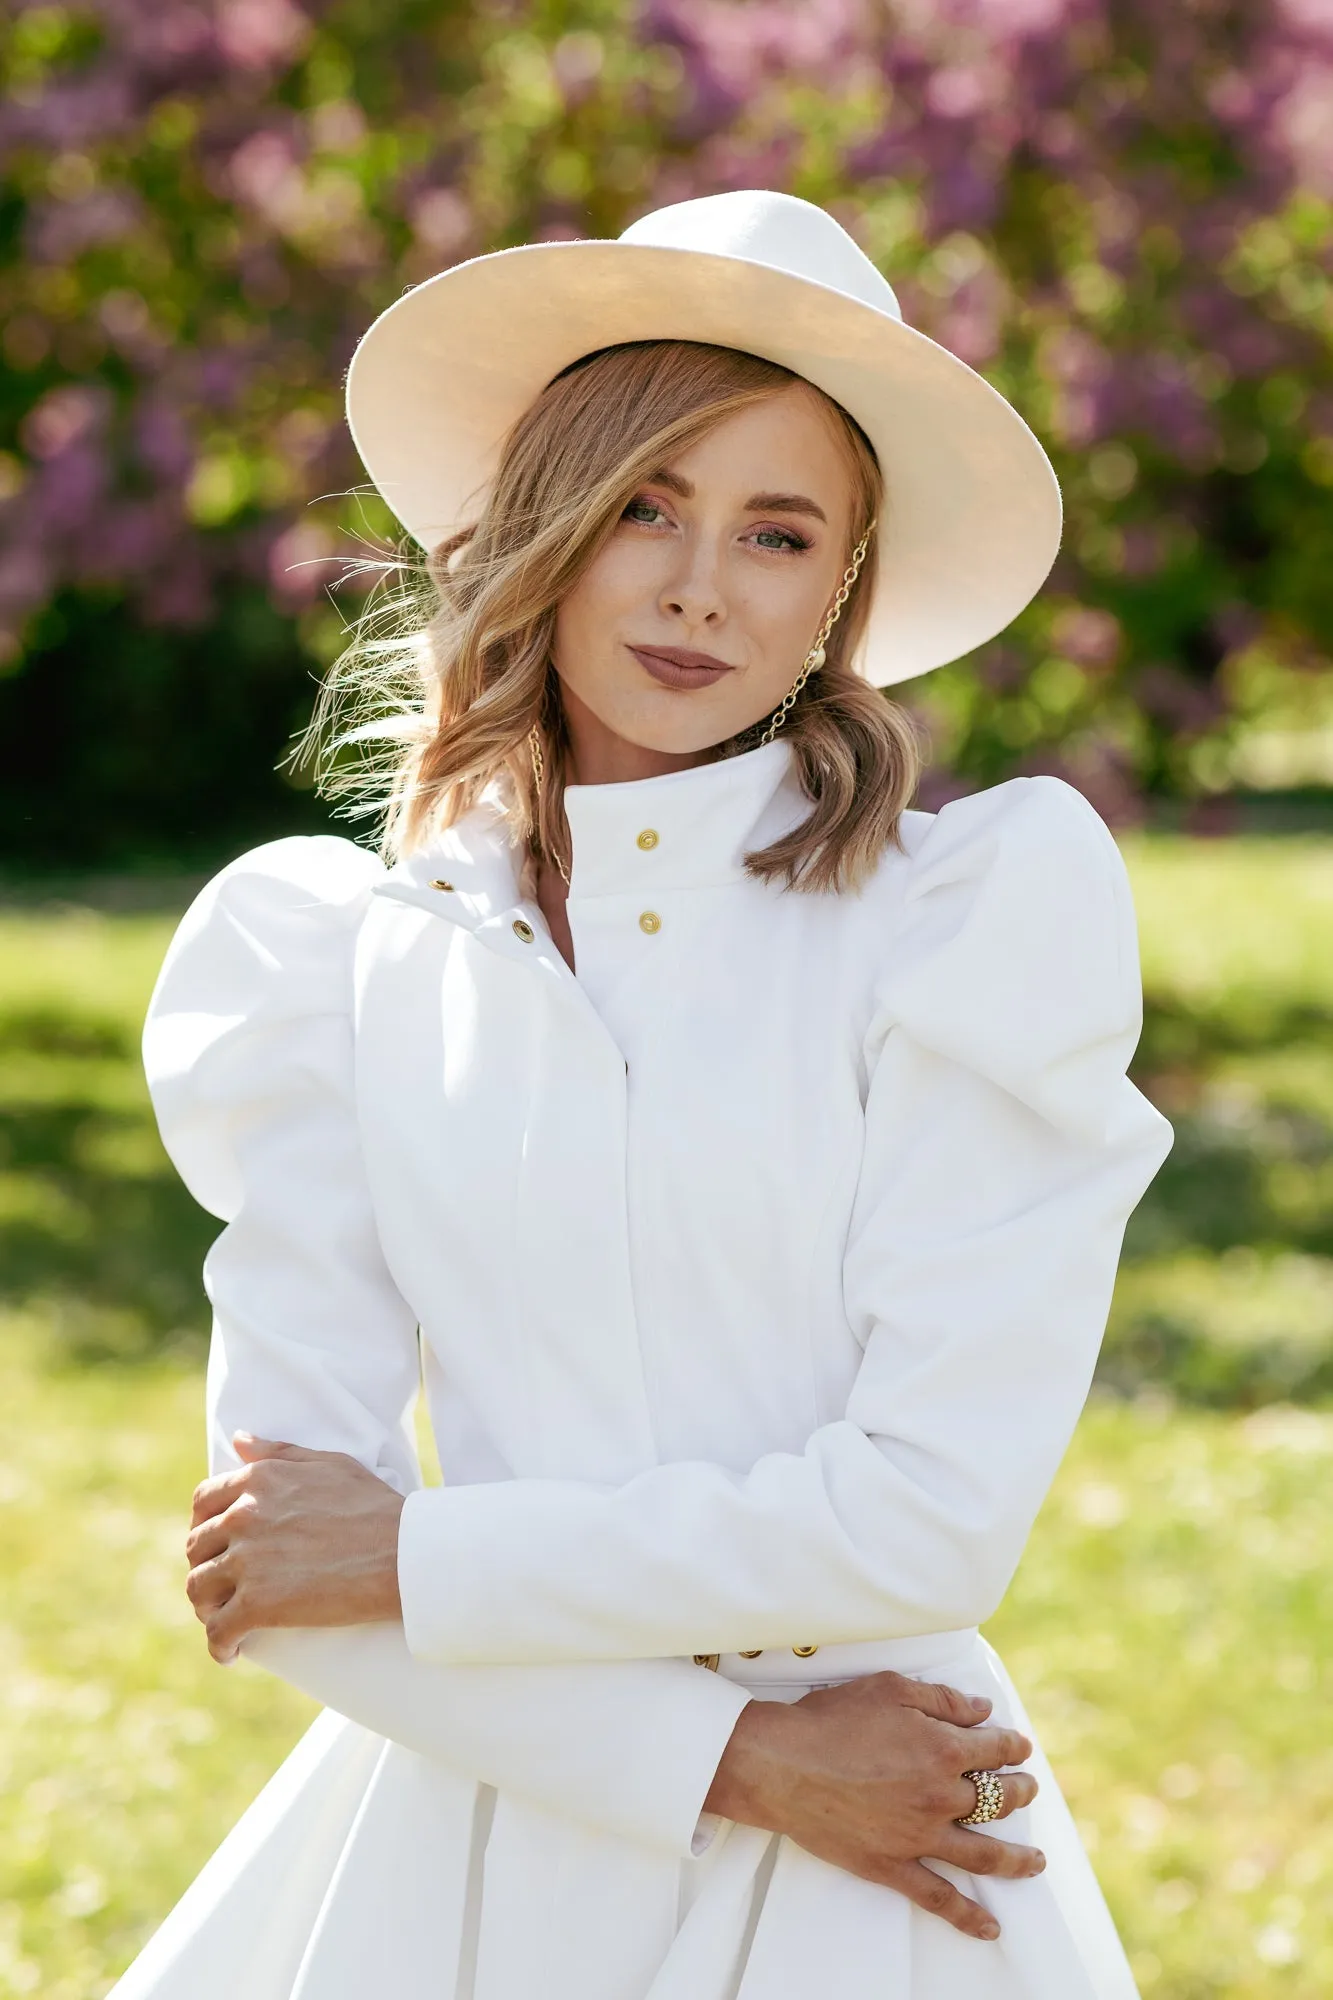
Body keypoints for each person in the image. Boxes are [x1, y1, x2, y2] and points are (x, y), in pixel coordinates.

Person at [114, 190, 1172, 2000]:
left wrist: (417, 1554)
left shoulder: (961, 923)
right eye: (644, 507)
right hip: (474, 1845)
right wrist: (742, 1766)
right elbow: (283, 1581)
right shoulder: (334, 961)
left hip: (892, 1851)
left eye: (778, 533)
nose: (699, 585)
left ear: (845, 591)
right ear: (541, 529)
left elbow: (925, 1514)